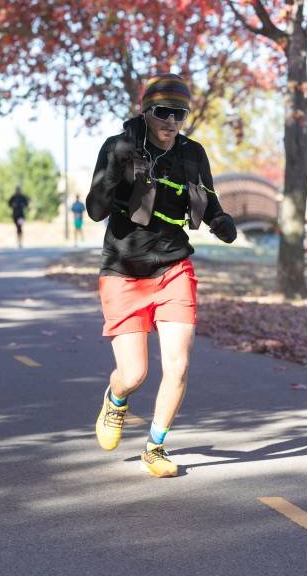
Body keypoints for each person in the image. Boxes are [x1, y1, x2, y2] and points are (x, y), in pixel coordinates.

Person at [86, 73, 237, 478]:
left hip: (173, 267)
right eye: (163, 112)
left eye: (179, 114)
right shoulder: (119, 146)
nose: (171, 121)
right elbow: (96, 210)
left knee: (179, 364)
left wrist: (221, 222)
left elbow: (209, 202)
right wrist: (115, 167)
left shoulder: (193, 154)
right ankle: (116, 399)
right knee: (134, 374)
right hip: (124, 270)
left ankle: (155, 446)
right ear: (146, 111)